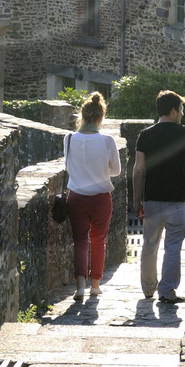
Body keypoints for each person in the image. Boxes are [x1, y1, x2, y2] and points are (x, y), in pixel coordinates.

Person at [133, 89, 185, 304]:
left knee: (149, 245)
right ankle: (167, 291)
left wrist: (137, 199)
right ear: (174, 110)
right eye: (181, 109)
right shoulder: (184, 132)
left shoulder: (145, 135)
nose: (182, 113)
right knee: (173, 247)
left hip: (152, 199)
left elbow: (138, 170)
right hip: (176, 201)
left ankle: (148, 289)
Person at [63, 91, 121, 302]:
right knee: (98, 241)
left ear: (82, 116)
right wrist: (101, 170)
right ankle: (95, 285)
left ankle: (80, 286)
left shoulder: (69, 139)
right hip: (100, 198)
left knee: (79, 240)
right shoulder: (107, 141)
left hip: (76, 197)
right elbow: (116, 171)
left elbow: (68, 166)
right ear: (101, 117)